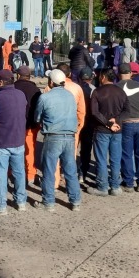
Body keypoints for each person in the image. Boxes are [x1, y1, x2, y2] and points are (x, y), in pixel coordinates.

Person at [33, 69, 81, 211]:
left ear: (51, 82)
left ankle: (48, 202)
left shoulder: (45, 97)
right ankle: (75, 201)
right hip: (70, 137)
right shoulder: (70, 96)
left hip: (53, 137)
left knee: (49, 170)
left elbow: (37, 117)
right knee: (70, 170)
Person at [0, 70, 28, 214]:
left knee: (1, 173)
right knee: (19, 172)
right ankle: (21, 202)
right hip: (18, 140)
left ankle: (1, 205)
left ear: (0, 82)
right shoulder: (21, 94)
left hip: (1, 141)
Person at [88, 68, 129, 196]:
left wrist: (108, 123)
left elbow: (95, 112)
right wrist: (116, 120)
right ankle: (115, 186)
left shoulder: (97, 92)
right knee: (115, 159)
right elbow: (127, 110)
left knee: (101, 159)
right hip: (117, 130)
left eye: (100, 76)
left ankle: (102, 187)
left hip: (102, 130)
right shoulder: (121, 91)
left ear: (104, 77)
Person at [116, 63, 139, 192]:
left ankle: (128, 183)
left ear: (118, 74)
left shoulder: (116, 88)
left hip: (125, 123)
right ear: (131, 73)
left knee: (126, 154)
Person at [13, 66, 41, 186]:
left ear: (18, 75)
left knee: (14, 150)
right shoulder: (35, 89)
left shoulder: (13, 87)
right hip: (31, 125)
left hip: (15, 125)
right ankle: (30, 175)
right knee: (30, 150)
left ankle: (12, 173)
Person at [77, 67, 96, 184]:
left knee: (72, 148)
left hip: (76, 122)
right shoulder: (94, 90)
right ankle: (83, 172)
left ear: (80, 78)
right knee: (86, 149)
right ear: (91, 78)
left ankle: (67, 171)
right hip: (89, 123)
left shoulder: (75, 88)